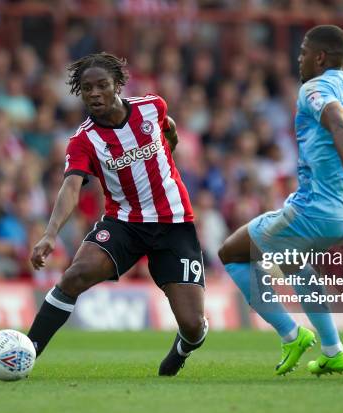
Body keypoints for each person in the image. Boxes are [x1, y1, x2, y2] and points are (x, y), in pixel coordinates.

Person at [218, 25, 343, 376]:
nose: (298, 61)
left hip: (313, 209)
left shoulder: (315, 87)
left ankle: (291, 334)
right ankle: (333, 350)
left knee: (232, 253)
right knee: (295, 263)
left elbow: (338, 125)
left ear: (319, 57)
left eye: (302, 53)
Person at [27, 52, 207, 376]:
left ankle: (182, 348)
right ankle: (26, 353)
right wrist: (50, 234)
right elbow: (70, 188)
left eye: (102, 86)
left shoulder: (152, 106)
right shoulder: (83, 140)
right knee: (74, 276)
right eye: (86, 88)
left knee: (194, 327)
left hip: (174, 223)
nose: (94, 93)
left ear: (118, 85)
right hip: (124, 223)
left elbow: (169, 127)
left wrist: (172, 144)